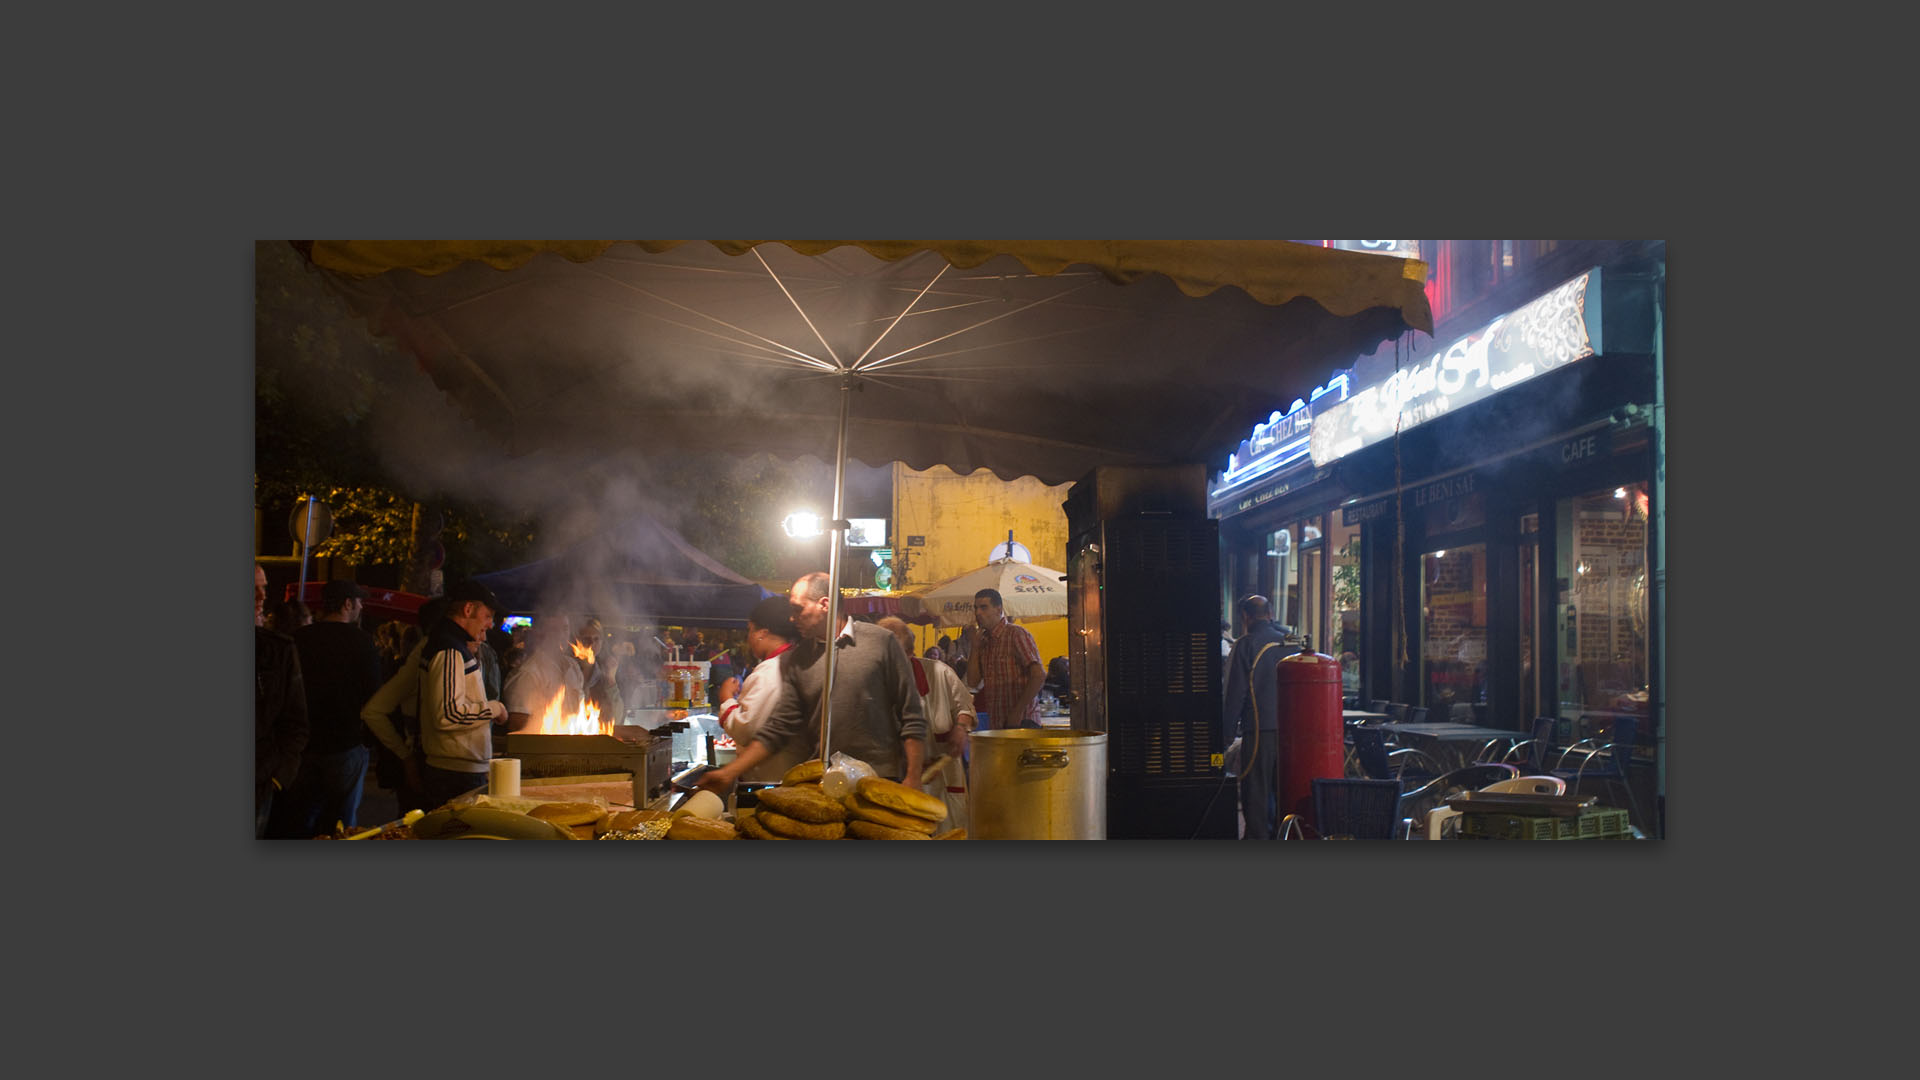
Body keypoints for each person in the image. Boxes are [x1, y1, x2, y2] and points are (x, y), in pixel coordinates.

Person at [697, 571, 928, 794]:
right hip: (823, 782)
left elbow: (911, 714)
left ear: (824, 605)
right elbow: (779, 728)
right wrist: (729, 773)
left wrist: (913, 775)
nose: (791, 618)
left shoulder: (880, 642)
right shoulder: (798, 658)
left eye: (798, 609)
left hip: (880, 780)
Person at [267, 580, 384, 837]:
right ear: (347, 604)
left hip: (304, 745)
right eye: (359, 601)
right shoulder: (362, 642)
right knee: (340, 822)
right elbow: (375, 695)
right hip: (345, 743)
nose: (362, 607)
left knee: (299, 819)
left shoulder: (299, 639)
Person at [416, 580, 510, 808]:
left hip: (459, 770)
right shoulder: (449, 649)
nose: (489, 625)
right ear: (468, 609)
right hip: (455, 774)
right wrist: (494, 708)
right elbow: (448, 715)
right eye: (488, 616)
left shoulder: (451, 644)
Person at [878, 615, 974, 824]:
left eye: (895, 655)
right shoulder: (872, 682)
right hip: (898, 778)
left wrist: (960, 728)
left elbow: (965, 706)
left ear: (910, 653)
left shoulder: (938, 672)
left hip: (944, 778)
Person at [359, 596, 449, 817]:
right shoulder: (425, 658)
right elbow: (373, 711)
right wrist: (406, 757)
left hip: (427, 762)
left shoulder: (435, 654)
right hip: (426, 765)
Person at [1221, 594, 1298, 840]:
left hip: (1259, 732)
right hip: (1294, 733)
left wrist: (1225, 735)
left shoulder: (1246, 644)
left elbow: (1235, 694)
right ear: (1271, 613)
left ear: (1245, 617)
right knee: (1287, 789)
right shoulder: (1291, 642)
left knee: (1257, 794)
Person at [715, 595, 806, 786]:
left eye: (749, 630)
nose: (748, 638)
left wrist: (726, 697)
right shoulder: (794, 660)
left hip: (773, 778)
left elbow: (746, 729)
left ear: (761, 633)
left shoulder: (771, 670)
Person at [256, 563, 308, 837]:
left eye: (263, 588)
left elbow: (295, 721)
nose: (261, 597)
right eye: (253, 589)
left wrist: (278, 776)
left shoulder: (278, 651)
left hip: (260, 782)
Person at [966, 588, 1045, 730]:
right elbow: (972, 681)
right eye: (976, 608)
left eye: (984, 607)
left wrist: (1017, 711)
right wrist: (975, 647)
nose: (978, 613)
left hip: (1023, 722)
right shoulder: (984, 641)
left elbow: (1038, 675)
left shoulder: (1016, 634)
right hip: (998, 723)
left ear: (998, 609)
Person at [502, 613, 582, 733]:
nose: (561, 635)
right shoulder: (529, 673)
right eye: (554, 630)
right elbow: (516, 723)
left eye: (565, 629)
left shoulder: (574, 667)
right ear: (540, 634)